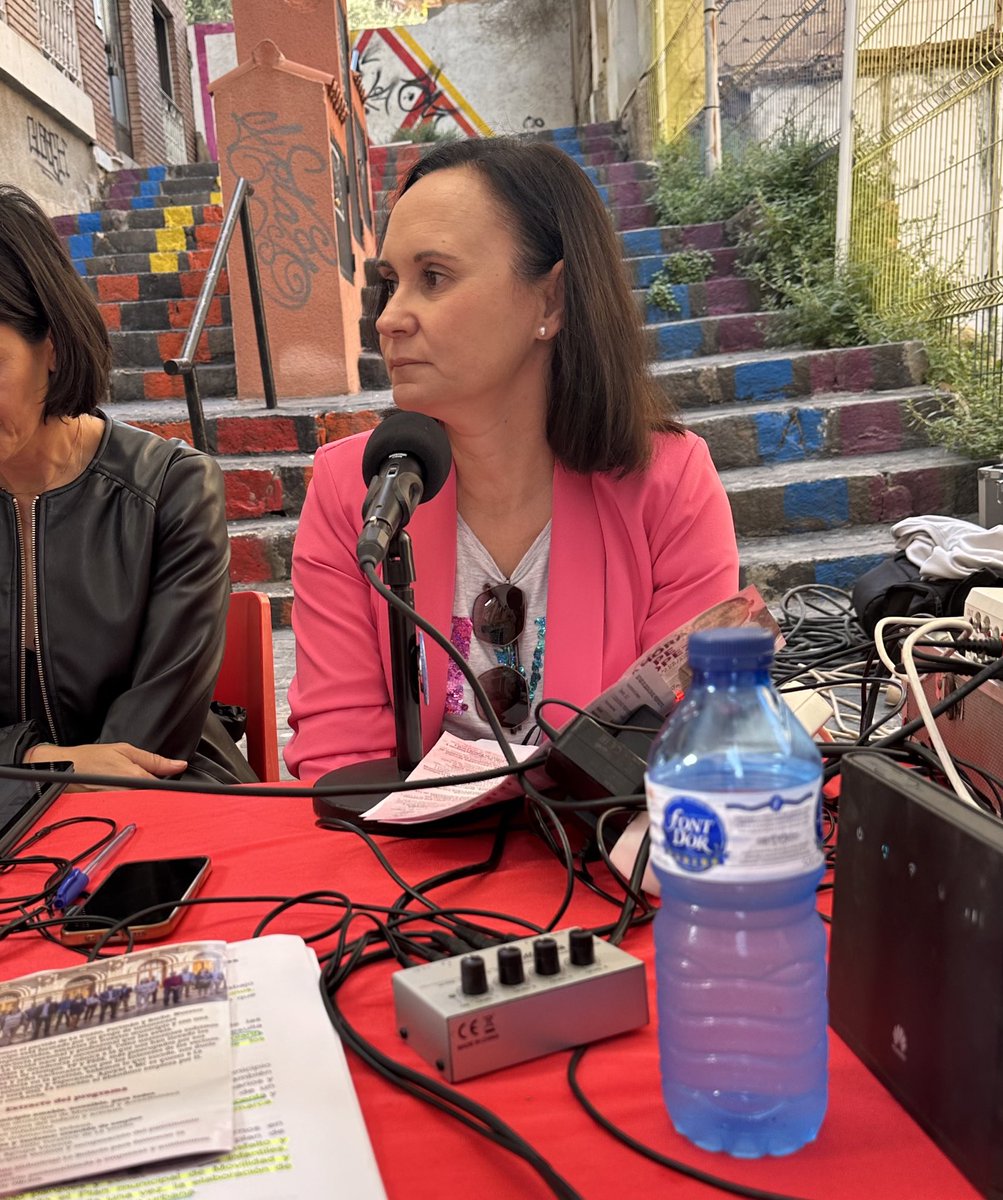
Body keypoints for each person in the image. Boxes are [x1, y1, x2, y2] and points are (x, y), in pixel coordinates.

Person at [285, 138, 739, 782]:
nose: (389, 318)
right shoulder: (352, 492)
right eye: (390, 284)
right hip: (410, 866)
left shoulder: (669, 484)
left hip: (599, 862)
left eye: (433, 278)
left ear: (549, 302)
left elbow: (685, 744)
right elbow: (341, 757)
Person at [0, 184, 255, 785]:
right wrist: (37, 759)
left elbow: (144, 747)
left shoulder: (173, 492)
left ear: (53, 348)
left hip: (162, 813)